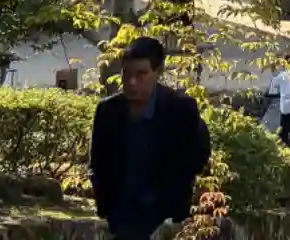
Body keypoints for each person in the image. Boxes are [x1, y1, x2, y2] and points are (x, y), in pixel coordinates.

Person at [88, 36, 212, 240]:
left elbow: (197, 155)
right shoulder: (108, 111)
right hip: (120, 215)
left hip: (164, 216)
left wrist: (176, 201)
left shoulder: (181, 109)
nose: (132, 82)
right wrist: (104, 205)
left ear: (158, 71)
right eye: (126, 74)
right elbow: (97, 162)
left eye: (141, 74)